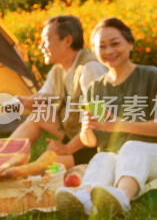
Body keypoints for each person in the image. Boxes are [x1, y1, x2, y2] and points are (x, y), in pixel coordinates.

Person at [55, 17, 157, 216]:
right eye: (102, 47)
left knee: (131, 147)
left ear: (130, 43)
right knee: (102, 157)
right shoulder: (95, 88)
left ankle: (122, 198)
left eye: (115, 43)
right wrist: (86, 129)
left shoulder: (151, 76)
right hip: (121, 158)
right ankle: (84, 198)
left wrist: (120, 125)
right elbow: (90, 142)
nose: (109, 51)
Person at [9, 14, 106, 167]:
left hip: (97, 143)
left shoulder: (89, 69)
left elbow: (98, 121)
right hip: (76, 132)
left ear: (67, 40)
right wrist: (24, 102)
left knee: (46, 164)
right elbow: (42, 98)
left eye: (46, 40)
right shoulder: (58, 70)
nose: (41, 46)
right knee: (39, 114)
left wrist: (67, 148)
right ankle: (2, 160)